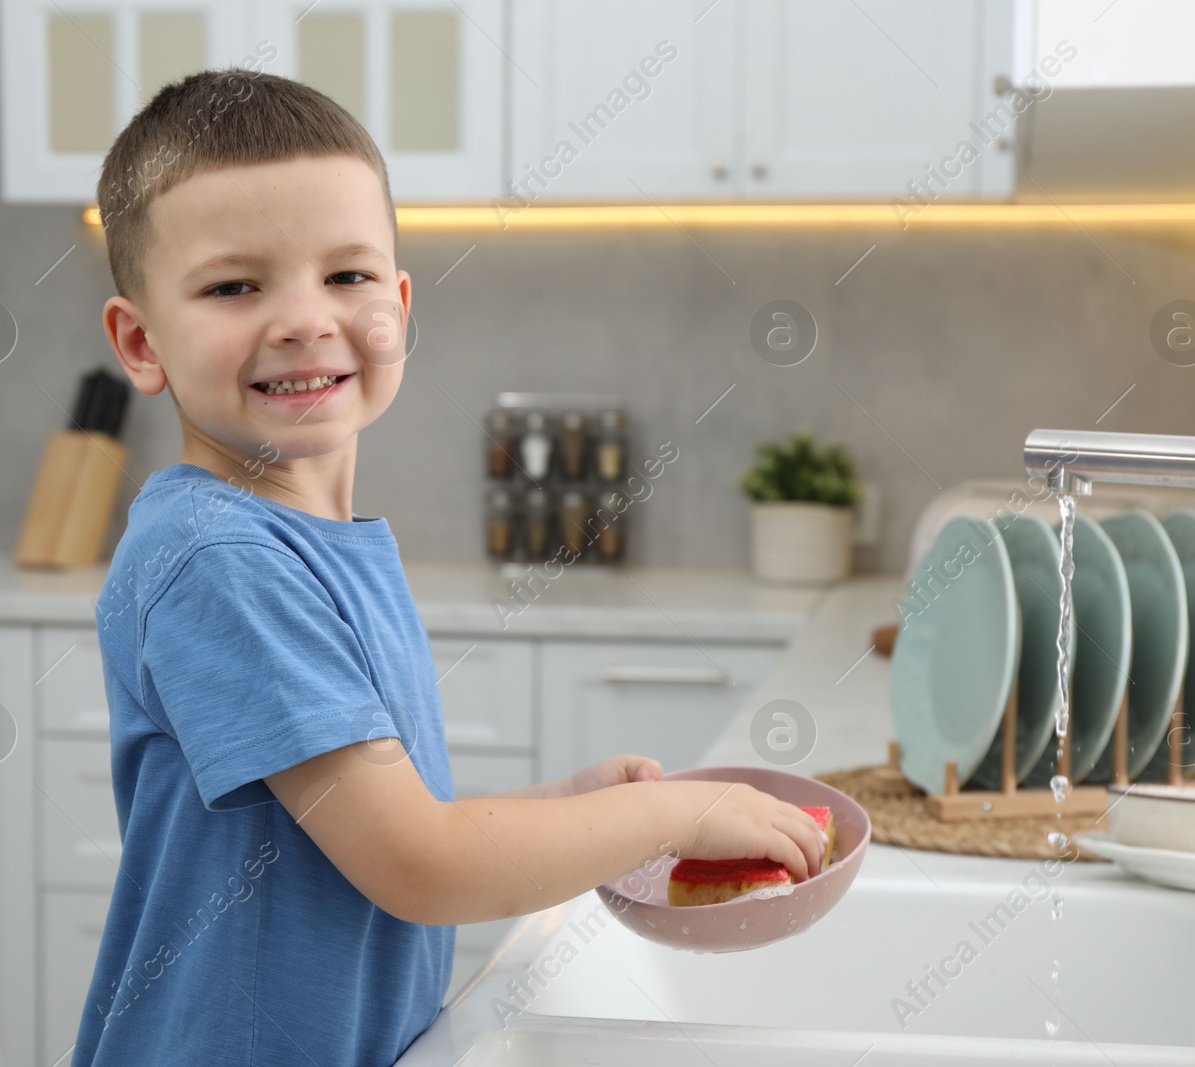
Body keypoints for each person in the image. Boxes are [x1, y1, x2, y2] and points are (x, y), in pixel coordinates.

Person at [73, 68, 824, 1067]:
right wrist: (669, 811)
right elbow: (420, 866)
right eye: (233, 285)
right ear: (139, 339)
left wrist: (573, 807)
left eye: (345, 275)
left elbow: (393, 825)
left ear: (398, 303)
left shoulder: (312, 545)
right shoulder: (219, 561)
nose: (305, 318)